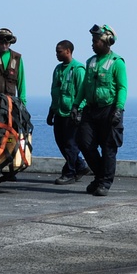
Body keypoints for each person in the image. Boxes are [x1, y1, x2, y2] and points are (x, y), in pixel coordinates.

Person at [74, 24, 127, 197]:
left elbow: (122, 88)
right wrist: (76, 105)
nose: (92, 44)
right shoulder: (90, 62)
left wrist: (118, 110)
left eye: (95, 41)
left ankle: (104, 182)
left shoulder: (117, 63)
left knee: (108, 148)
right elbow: (84, 87)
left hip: (109, 110)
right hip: (91, 109)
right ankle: (99, 176)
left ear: (106, 42)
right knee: (84, 142)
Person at [48, 40, 89, 185]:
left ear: (68, 51)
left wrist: (77, 110)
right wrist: (51, 111)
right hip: (59, 112)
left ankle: (70, 172)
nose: (56, 54)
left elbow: (84, 93)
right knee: (60, 142)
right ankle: (81, 165)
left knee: (70, 144)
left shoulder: (78, 69)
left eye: (59, 51)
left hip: (72, 114)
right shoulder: (58, 69)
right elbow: (55, 92)